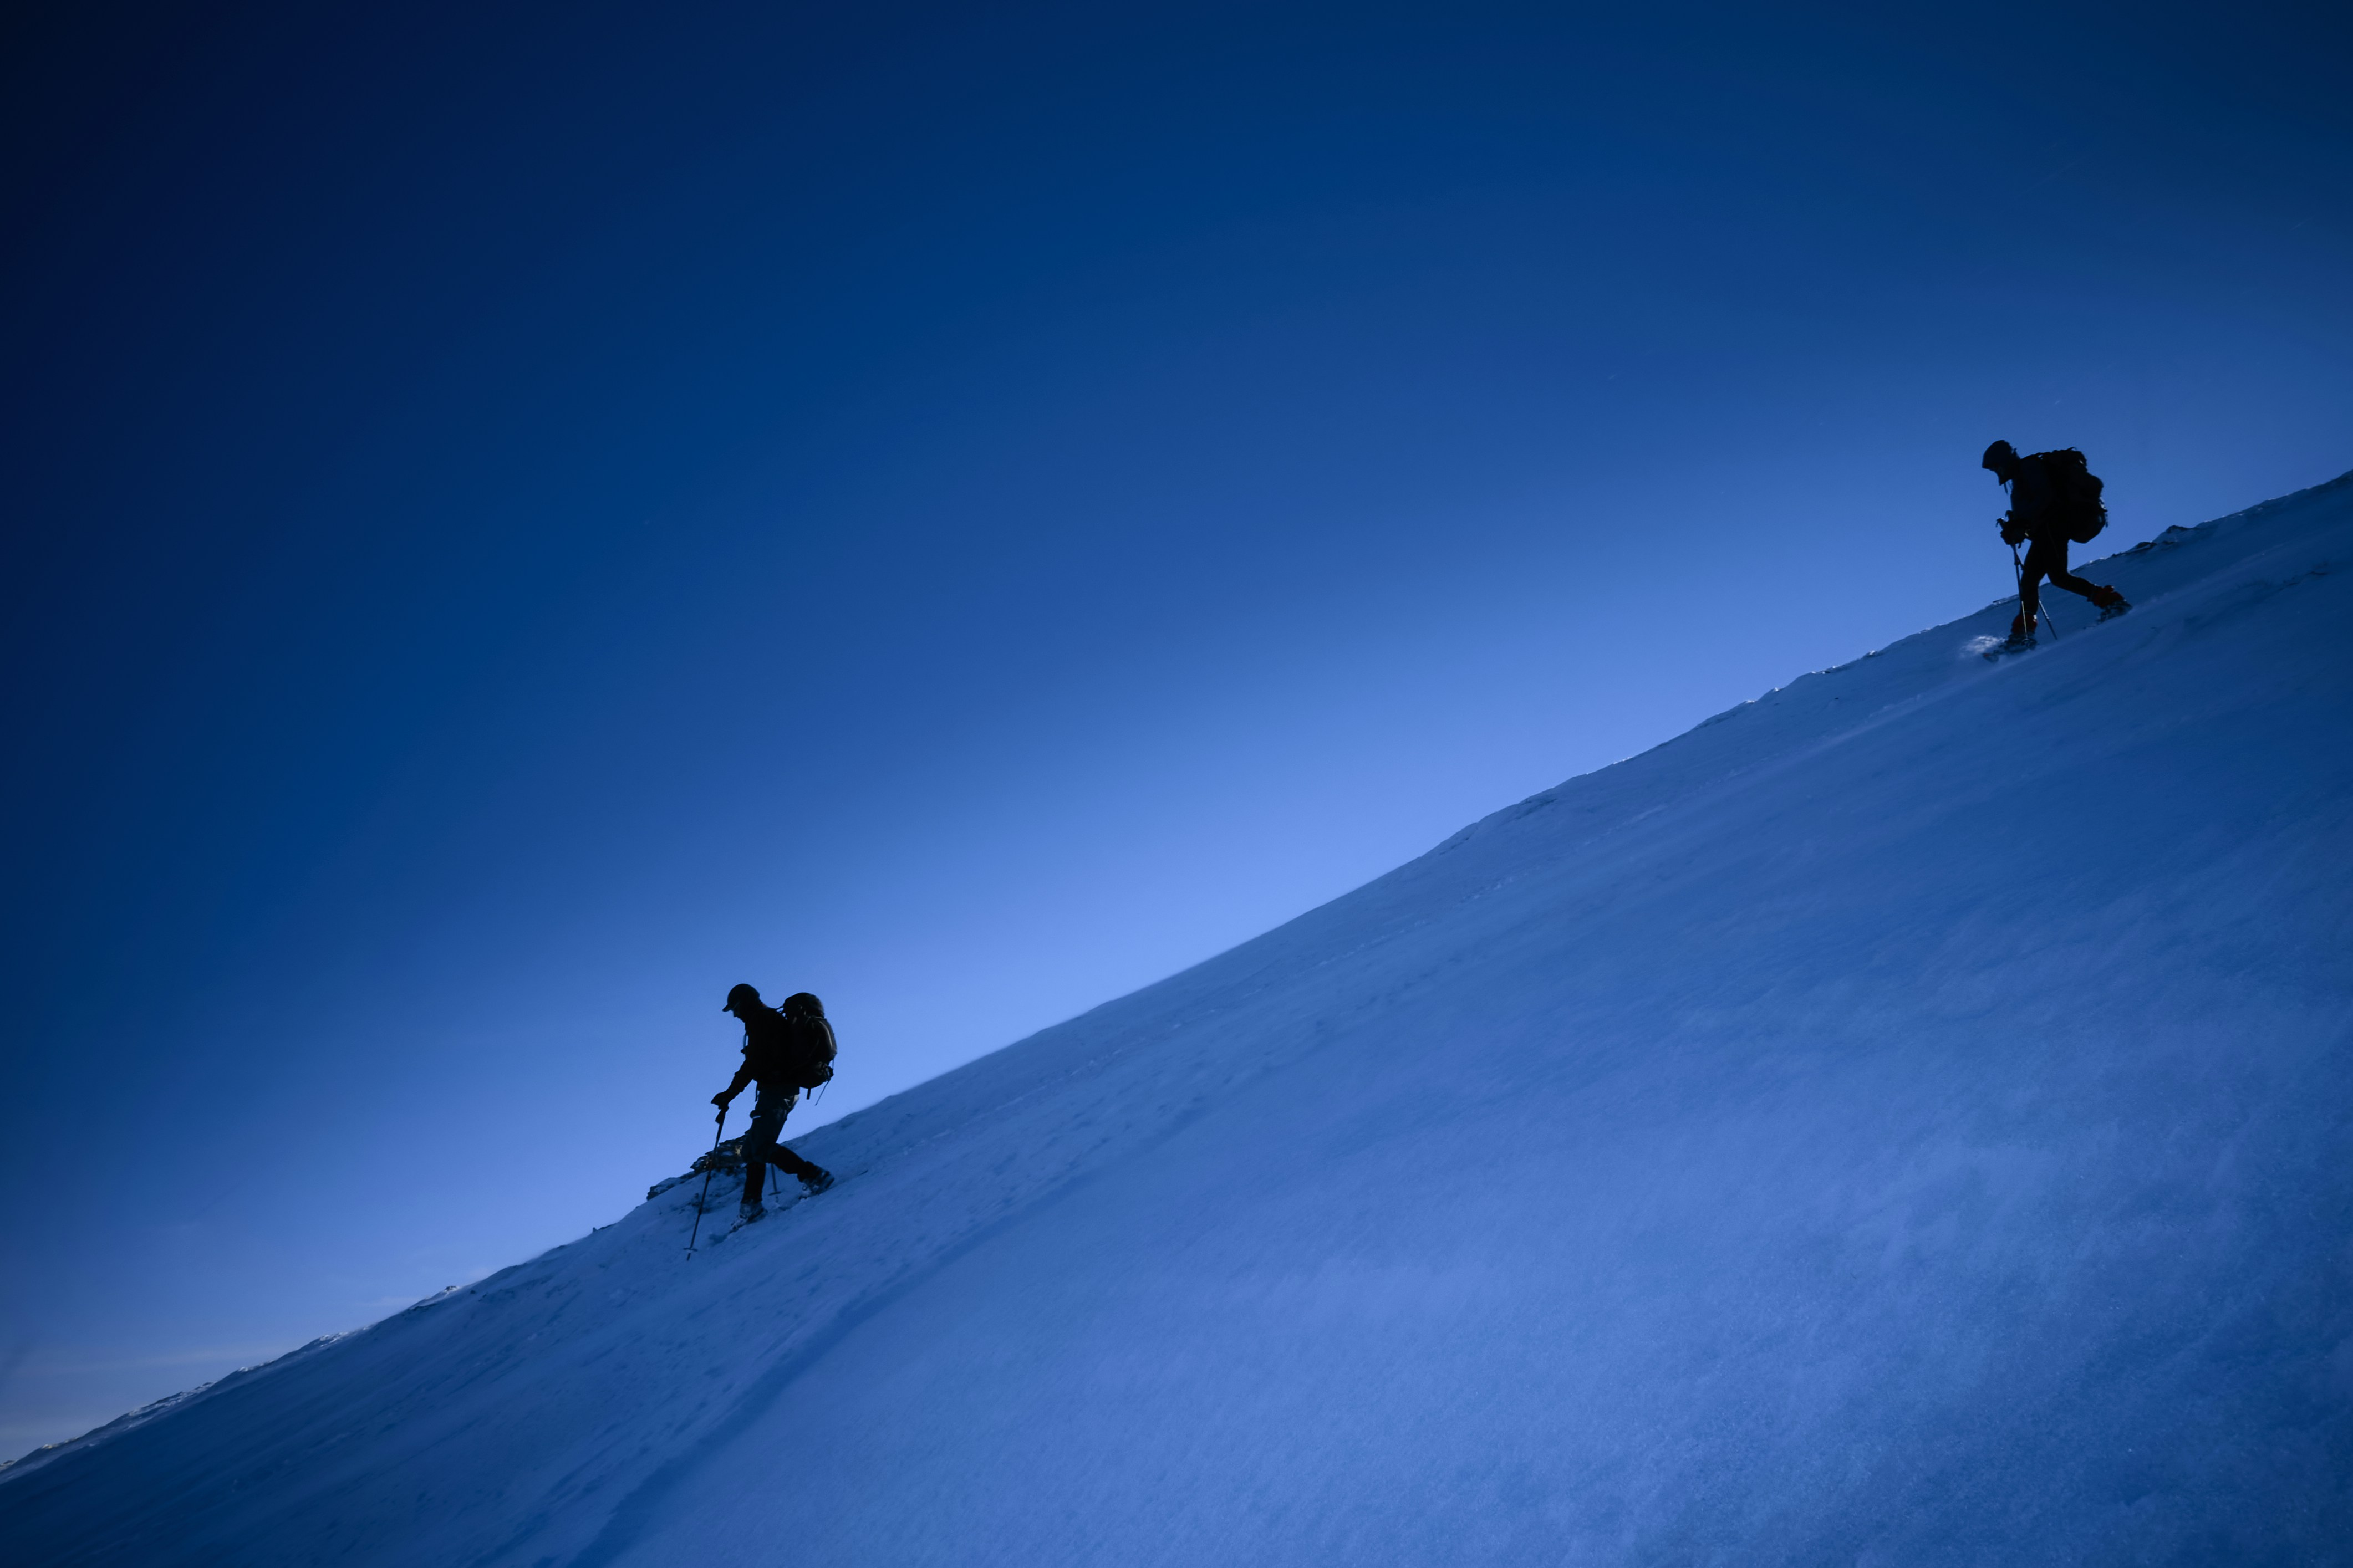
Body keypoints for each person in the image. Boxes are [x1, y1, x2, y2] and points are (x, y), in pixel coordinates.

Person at [1981, 440, 2128, 647]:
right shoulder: (2019, 480)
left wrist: (2021, 524)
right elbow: (2030, 512)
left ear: (2004, 460)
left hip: (2053, 526)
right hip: (2046, 530)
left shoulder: (2029, 467)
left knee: (2056, 577)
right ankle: (2022, 634)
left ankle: (2113, 603)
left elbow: (2046, 497)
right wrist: (2016, 529)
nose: (1997, 471)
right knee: (2031, 582)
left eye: (1997, 466)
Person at [713, 982, 835, 1218]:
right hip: (778, 1089)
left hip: (780, 1090)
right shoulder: (764, 1020)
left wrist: (730, 1093)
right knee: (751, 1150)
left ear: (745, 1003)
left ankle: (814, 1176)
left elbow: (754, 1063)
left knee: (761, 1146)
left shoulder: (763, 1020)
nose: (736, 1014)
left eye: (736, 1008)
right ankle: (751, 1207)